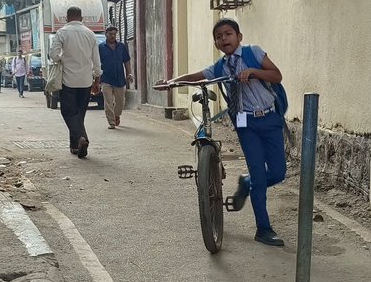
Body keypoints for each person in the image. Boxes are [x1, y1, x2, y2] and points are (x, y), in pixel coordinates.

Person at [158, 19, 287, 247]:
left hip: (270, 119)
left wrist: (254, 72)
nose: (224, 39)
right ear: (216, 43)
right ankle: (263, 229)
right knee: (259, 176)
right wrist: (171, 82)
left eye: (228, 34)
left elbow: (276, 76)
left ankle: (246, 183)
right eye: (219, 36)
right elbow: (196, 76)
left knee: (278, 172)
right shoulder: (219, 68)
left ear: (239, 36)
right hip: (246, 125)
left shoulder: (254, 53)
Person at [49, 6, 102, 159]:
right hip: (86, 81)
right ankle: (75, 146)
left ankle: (81, 139)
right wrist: (97, 79)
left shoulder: (62, 32)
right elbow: (96, 60)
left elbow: (53, 55)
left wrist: (62, 58)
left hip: (68, 80)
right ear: (81, 18)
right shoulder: (90, 34)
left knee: (68, 112)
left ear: (67, 18)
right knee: (79, 114)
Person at [99, 24, 133, 129]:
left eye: (114, 34)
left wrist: (129, 73)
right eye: (110, 34)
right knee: (108, 102)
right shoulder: (101, 47)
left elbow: (126, 61)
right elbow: (97, 63)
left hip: (119, 79)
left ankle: (116, 115)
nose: (112, 36)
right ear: (106, 34)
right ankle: (111, 122)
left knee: (121, 102)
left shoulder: (121, 47)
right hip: (106, 78)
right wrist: (96, 78)